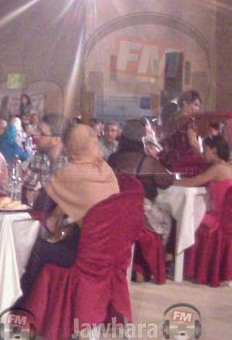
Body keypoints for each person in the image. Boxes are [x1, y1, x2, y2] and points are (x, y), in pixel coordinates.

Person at [21, 124, 119, 295]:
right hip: (109, 249)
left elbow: (40, 204)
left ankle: (28, 302)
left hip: (83, 253)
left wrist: (54, 211)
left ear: (72, 145)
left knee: (33, 249)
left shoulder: (74, 171)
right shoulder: (106, 169)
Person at [108, 120, 175, 237]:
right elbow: (167, 181)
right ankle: (160, 249)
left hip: (117, 210)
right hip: (143, 214)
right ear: (142, 140)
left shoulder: (112, 159)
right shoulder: (148, 161)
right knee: (170, 221)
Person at [174, 136, 232, 216]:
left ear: (214, 150)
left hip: (219, 215)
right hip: (226, 213)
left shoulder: (218, 168)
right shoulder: (227, 167)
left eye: (205, 149)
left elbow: (193, 181)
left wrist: (171, 182)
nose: (203, 153)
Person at [22, 113, 68, 208]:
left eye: (41, 133)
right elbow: (26, 189)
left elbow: (66, 200)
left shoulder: (69, 162)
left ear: (56, 140)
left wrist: (39, 194)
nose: (35, 136)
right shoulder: (39, 158)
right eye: (36, 130)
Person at [161, 90, 204, 177]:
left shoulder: (172, 120)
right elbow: (193, 143)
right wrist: (201, 156)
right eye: (195, 105)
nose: (197, 109)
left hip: (169, 161)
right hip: (185, 163)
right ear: (185, 103)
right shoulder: (190, 121)